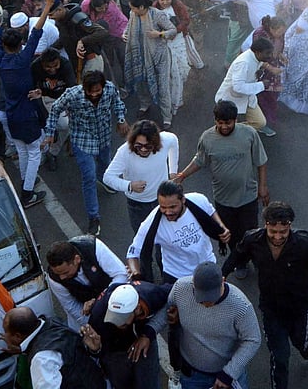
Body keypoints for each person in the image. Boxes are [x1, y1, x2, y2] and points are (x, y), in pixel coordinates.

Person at [222, 202, 308, 389]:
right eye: (273, 232)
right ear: (266, 225)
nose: (278, 237)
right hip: (270, 308)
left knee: (300, 342)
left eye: (283, 232)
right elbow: (236, 256)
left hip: (299, 308)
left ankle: (303, 345)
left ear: (290, 226)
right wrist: (222, 275)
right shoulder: (252, 240)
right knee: (280, 357)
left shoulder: (304, 244)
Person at [175, 100, 269, 274]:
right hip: (223, 198)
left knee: (251, 231)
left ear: (235, 120)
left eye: (228, 122)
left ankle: (254, 257)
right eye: (220, 122)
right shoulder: (207, 138)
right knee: (230, 233)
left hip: (248, 195)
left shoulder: (249, 134)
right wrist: (182, 175)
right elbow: (199, 160)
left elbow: (261, 161)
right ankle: (239, 262)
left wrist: (263, 187)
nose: (224, 126)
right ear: (215, 120)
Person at [42, 70, 128, 236]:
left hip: (103, 137)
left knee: (106, 164)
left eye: (98, 91)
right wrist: (50, 132)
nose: (95, 94)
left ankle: (104, 179)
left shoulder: (109, 89)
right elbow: (55, 109)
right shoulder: (72, 95)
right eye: (91, 91)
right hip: (82, 141)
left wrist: (121, 119)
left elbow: (117, 104)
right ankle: (94, 217)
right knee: (88, 177)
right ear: (84, 88)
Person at [0, 0, 58, 208]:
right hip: (27, 113)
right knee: (34, 152)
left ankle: (26, 183)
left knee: (22, 150)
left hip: (11, 112)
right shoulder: (22, 60)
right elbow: (37, 31)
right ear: (20, 44)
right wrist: (48, 5)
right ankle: (28, 192)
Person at [167, 261, 262, 389]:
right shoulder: (180, 289)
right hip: (191, 375)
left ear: (223, 281)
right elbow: (166, 311)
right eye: (201, 297)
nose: (206, 303)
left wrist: (229, 373)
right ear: (193, 283)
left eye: (211, 297)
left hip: (227, 377)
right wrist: (148, 332)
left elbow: (253, 340)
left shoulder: (241, 306)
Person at [126, 180, 229, 285]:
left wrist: (221, 227)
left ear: (183, 200)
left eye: (172, 207)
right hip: (177, 277)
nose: (168, 212)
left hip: (208, 267)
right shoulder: (151, 224)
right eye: (163, 207)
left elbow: (210, 211)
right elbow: (133, 252)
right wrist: (135, 273)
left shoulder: (199, 200)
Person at [87, 281, 170, 389]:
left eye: (122, 317)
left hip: (145, 344)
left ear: (138, 309)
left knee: (149, 383)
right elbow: (97, 351)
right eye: (114, 316)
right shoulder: (98, 314)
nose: (117, 322)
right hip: (114, 351)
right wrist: (95, 350)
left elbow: (175, 295)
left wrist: (149, 332)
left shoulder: (152, 293)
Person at [0, 306, 105, 389]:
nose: (4, 336)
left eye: (6, 332)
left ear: (17, 336)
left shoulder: (41, 359)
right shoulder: (54, 323)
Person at [103, 119, 180, 231]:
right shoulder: (124, 152)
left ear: (156, 142)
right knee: (143, 239)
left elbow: (174, 141)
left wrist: (173, 172)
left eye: (148, 146)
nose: (143, 149)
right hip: (137, 205)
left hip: (162, 199)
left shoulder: (165, 140)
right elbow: (108, 177)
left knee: (164, 236)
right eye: (138, 146)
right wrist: (129, 186)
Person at [45, 236, 130, 330]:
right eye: (58, 274)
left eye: (65, 272)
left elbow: (121, 275)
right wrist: (97, 324)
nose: (62, 277)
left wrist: (101, 301)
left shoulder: (93, 247)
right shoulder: (54, 278)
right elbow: (72, 306)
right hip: (86, 319)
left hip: (117, 302)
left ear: (76, 259)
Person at [123, 0, 175, 129]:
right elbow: (129, 27)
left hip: (158, 57)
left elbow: (172, 30)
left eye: (134, 8)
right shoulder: (133, 14)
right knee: (141, 82)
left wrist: (159, 34)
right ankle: (144, 105)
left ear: (141, 7)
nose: (132, 10)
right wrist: (125, 34)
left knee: (163, 86)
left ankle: (166, 117)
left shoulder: (157, 15)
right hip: (139, 55)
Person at [214, 37, 273, 132]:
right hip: (230, 99)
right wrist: (261, 85)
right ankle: (227, 131)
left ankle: (234, 131)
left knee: (259, 123)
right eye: (268, 53)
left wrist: (260, 72)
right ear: (258, 52)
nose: (270, 56)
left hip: (247, 97)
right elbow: (238, 87)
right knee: (226, 124)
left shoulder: (257, 58)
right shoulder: (243, 62)